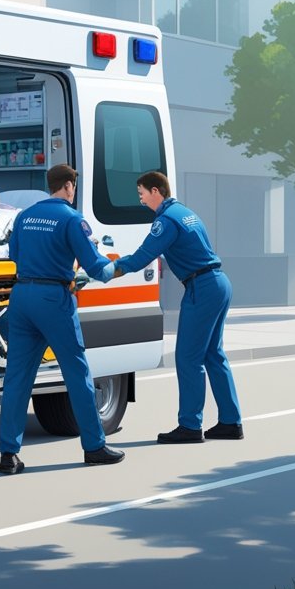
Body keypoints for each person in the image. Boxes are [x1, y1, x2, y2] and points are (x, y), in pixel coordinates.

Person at [0, 165, 125, 474]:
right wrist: (119, 266)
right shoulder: (71, 219)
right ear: (68, 186)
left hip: (22, 296)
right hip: (53, 300)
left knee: (16, 378)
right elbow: (96, 269)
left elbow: (14, 255)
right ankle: (94, 446)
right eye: (73, 187)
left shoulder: (24, 217)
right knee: (77, 373)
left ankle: (8, 455)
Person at [113, 171, 242, 443]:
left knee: (188, 357)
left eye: (142, 194)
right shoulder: (185, 212)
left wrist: (110, 269)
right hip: (218, 282)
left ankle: (190, 426)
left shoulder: (165, 221)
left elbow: (142, 257)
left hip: (202, 288)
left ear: (156, 191)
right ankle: (231, 422)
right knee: (213, 355)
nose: (141, 201)